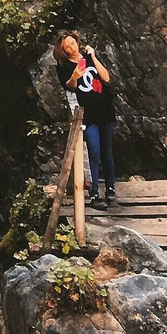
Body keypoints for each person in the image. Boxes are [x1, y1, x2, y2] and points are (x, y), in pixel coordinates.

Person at [56, 33, 116, 206]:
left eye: (73, 43)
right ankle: (95, 193)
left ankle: (111, 190)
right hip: (87, 115)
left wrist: (93, 57)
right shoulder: (63, 66)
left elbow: (106, 77)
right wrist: (75, 76)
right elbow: (70, 87)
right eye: (67, 47)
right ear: (63, 50)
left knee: (107, 152)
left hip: (105, 110)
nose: (72, 48)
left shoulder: (88, 57)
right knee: (94, 151)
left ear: (77, 42)